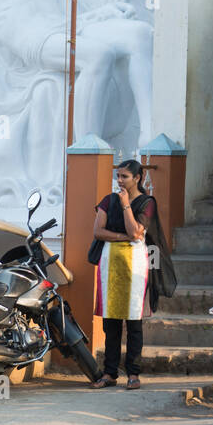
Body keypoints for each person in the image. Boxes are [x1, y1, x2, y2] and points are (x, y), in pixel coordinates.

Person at [90, 159, 158, 390]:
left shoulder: (146, 203)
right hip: (110, 263)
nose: (119, 180)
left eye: (124, 177)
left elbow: (136, 232)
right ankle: (109, 373)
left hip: (136, 265)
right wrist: (123, 238)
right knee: (111, 322)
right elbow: (98, 232)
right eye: (118, 176)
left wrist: (127, 204)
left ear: (137, 178)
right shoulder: (108, 201)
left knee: (134, 322)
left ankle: (133, 373)